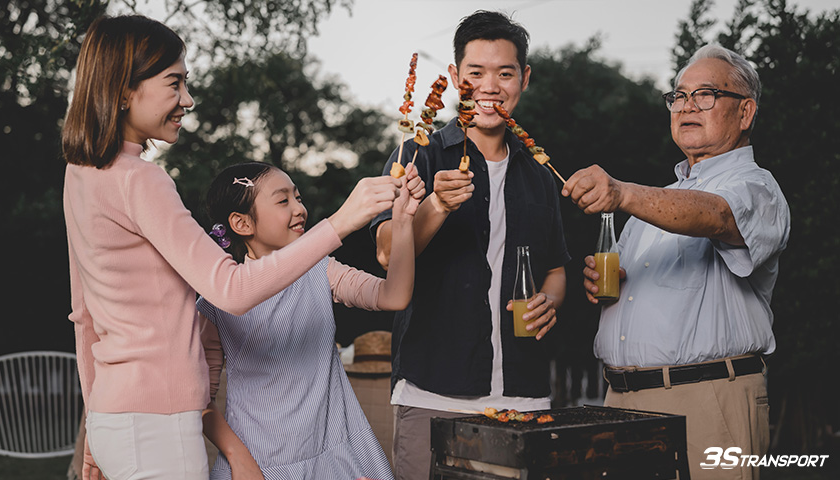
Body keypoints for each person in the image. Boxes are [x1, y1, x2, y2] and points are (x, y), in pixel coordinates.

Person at [61, 15, 402, 479]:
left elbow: (85, 316)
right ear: (124, 91)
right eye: (174, 83)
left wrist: (97, 426)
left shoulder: (79, 175)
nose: (188, 99)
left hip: (117, 418)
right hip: (159, 422)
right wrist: (341, 221)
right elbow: (231, 288)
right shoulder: (140, 180)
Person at [562, 44, 790, 480]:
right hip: (620, 402)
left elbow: (718, 215)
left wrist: (623, 193)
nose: (686, 105)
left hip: (706, 403)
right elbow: (631, 290)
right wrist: (606, 285)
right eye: (679, 96)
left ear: (745, 113)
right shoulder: (655, 203)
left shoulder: (757, 186)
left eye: (705, 94)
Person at [370, 10, 570, 479]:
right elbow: (384, 251)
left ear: (524, 78)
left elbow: (555, 269)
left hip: (523, 396)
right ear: (456, 78)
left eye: (505, 73)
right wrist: (436, 205)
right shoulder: (417, 154)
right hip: (432, 394)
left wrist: (550, 300)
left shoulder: (540, 175)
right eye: (476, 73)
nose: (490, 86)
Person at [197, 161, 423, 480]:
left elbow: (393, 296)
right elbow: (199, 396)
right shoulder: (215, 304)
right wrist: (238, 458)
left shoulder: (321, 270)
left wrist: (402, 222)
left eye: (298, 197)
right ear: (241, 223)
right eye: (283, 200)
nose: (299, 208)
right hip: (256, 465)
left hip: (336, 457)